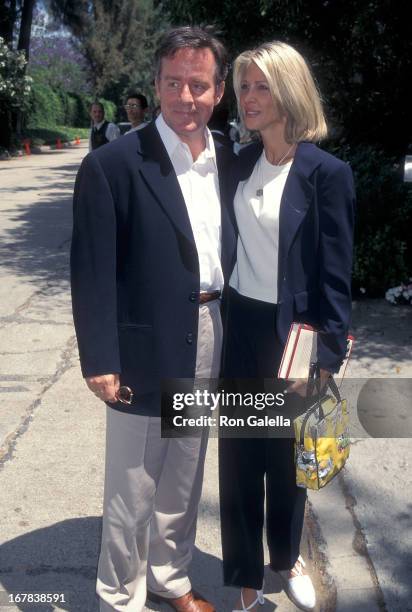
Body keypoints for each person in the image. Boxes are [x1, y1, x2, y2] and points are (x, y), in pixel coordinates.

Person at [71, 26, 237, 612]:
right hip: (142, 346)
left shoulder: (231, 161)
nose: (184, 97)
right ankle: (118, 596)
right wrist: (100, 359)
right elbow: (91, 272)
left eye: (198, 85)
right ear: (156, 85)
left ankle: (171, 577)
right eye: (173, 83)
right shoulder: (114, 165)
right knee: (132, 485)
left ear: (219, 91)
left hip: (210, 332)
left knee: (185, 475)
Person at [219, 41, 355, 612]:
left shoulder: (327, 174)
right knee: (240, 455)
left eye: (260, 86)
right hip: (238, 325)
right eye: (244, 86)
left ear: (289, 90)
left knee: (286, 456)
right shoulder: (240, 162)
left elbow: (335, 273)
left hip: (291, 334)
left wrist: (325, 357)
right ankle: (247, 572)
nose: (248, 98)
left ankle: (287, 557)